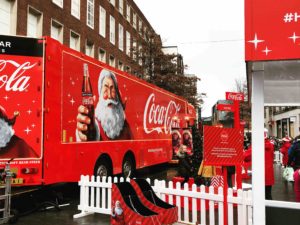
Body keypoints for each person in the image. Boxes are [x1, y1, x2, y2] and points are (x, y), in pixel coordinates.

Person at [76, 69, 132, 141]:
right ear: (100, 95)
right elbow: (91, 134)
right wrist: (83, 131)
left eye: (112, 90)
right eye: (105, 90)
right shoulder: (95, 124)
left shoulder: (125, 125)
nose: (109, 95)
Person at [243, 129, 274, 200]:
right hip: (269, 173)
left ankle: (260, 211)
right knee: (268, 194)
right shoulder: (271, 146)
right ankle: (269, 210)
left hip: (259, 174)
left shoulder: (256, 146)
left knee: (258, 196)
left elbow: (246, 157)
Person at [287, 135, 300, 202]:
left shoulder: (295, 145)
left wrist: (288, 164)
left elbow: (290, 155)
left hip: (297, 167)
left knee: (297, 187)